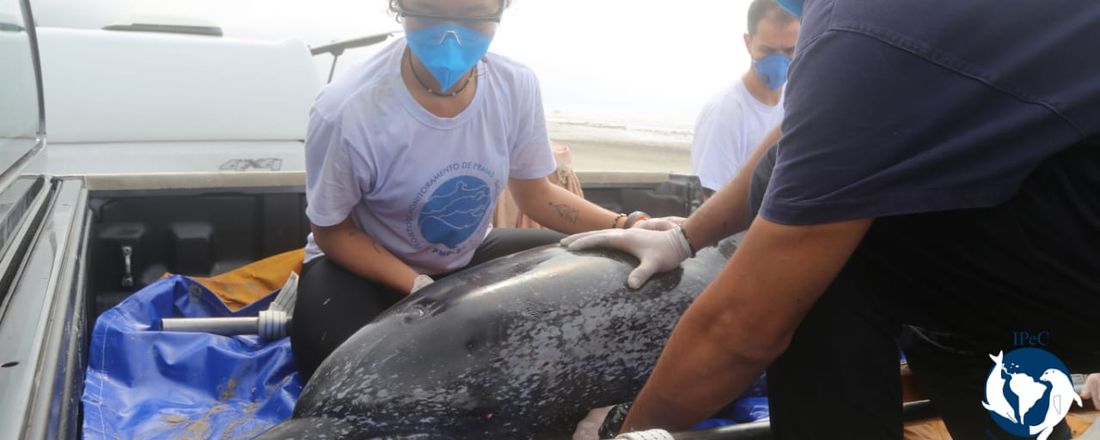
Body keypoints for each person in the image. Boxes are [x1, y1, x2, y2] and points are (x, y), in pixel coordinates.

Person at [563, 0, 1100, 438]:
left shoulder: (864, 20)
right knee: (917, 232)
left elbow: (745, 327)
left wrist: (629, 432)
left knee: (846, 249)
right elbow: (808, 133)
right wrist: (686, 236)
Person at [292, 0, 650, 381]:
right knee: (345, 377)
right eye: (429, 10)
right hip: (359, 270)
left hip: (466, 256)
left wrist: (628, 226)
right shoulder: (346, 108)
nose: (450, 33)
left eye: (473, 13)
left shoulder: (515, 85)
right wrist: (418, 287)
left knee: (603, 265)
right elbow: (332, 231)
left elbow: (537, 195)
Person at [690, 0, 797, 196]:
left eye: (790, 50)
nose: (780, 61)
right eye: (768, 51)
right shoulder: (725, 112)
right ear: (748, 43)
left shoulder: (795, 101)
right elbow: (709, 201)